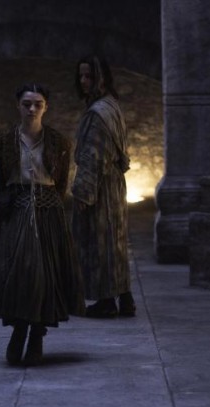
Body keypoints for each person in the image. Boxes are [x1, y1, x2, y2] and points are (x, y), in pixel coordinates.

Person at [0, 83, 85, 366]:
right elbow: (0, 182)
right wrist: (8, 208)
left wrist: (49, 206)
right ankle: (19, 329)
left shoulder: (58, 142)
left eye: (38, 104)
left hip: (48, 210)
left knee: (45, 273)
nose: (32, 109)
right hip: (17, 209)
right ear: (18, 106)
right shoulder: (4, 143)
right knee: (19, 272)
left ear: (46, 107)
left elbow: (61, 183)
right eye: (27, 104)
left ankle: (37, 334)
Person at [71, 55, 135, 318]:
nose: (84, 81)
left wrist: (83, 193)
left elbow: (92, 156)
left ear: (102, 78)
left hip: (102, 187)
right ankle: (125, 297)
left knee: (101, 242)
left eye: (89, 76)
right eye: (81, 76)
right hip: (114, 184)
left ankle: (107, 301)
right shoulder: (111, 106)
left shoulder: (99, 113)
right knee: (115, 241)